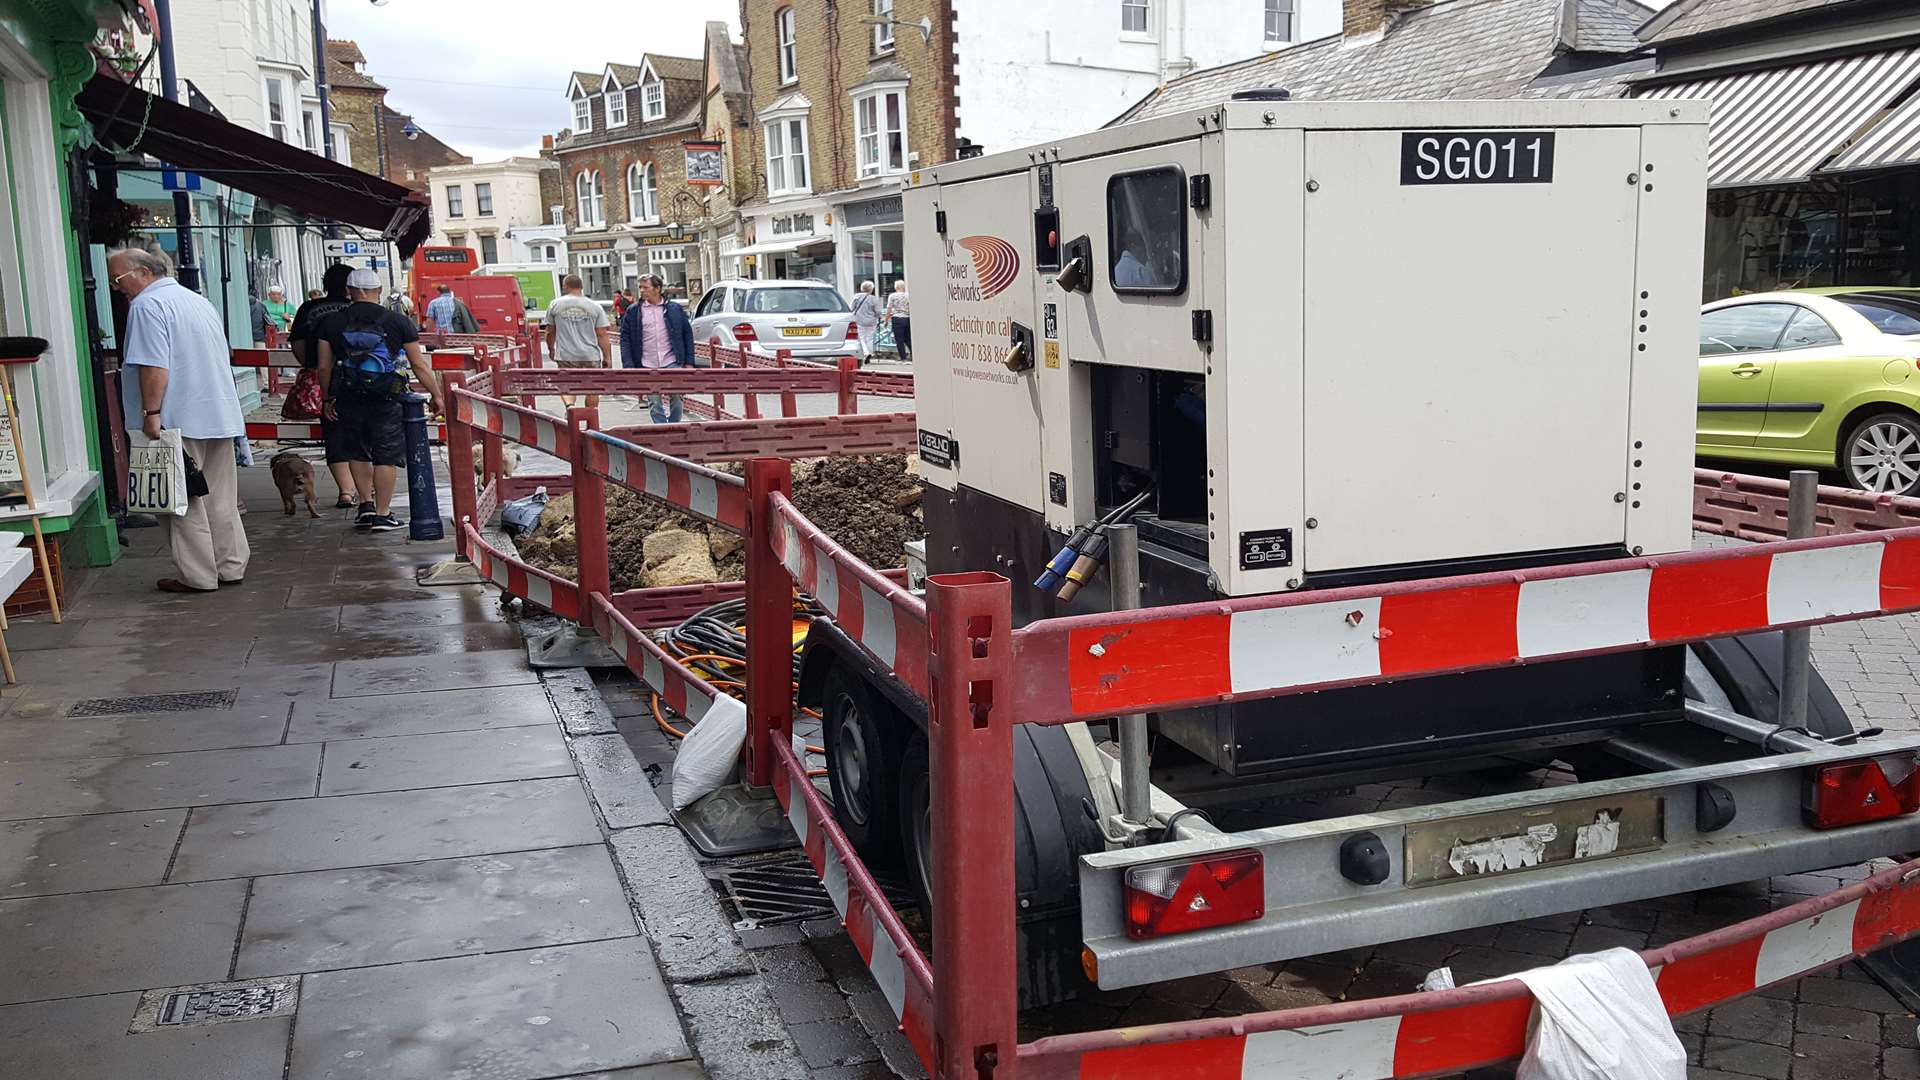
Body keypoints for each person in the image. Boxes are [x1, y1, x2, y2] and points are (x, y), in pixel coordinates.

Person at [109, 247, 250, 593]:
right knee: (220, 496)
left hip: (176, 415)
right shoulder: (197, 300)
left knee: (179, 499)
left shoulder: (146, 306)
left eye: (117, 280)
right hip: (218, 411)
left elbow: (153, 365)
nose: (117, 288)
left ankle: (198, 576)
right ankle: (230, 565)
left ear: (142, 272)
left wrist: (151, 413)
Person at [316, 269, 446, 532]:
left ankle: (365, 506)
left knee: (356, 450)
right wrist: (436, 394)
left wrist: (327, 397)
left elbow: (323, 367)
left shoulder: (330, 323)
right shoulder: (398, 321)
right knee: (385, 455)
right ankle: (383, 513)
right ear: (378, 291)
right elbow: (418, 364)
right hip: (388, 395)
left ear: (350, 292)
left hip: (347, 396)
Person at [289, 262, 359, 508]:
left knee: (334, 431)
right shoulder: (357, 309)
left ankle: (346, 491)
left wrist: (310, 366)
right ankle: (366, 490)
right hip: (359, 378)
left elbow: (297, 343)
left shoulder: (309, 308)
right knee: (362, 431)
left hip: (322, 379)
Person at [619, 273, 694, 424]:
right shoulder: (634, 311)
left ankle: (674, 426)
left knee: (677, 395)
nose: (642, 290)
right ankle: (661, 429)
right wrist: (628, 365)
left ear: (657, 288)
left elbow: (687, 334)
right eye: (640, 287)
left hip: (672, 360)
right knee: (654, 400)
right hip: (647, 362)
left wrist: (689, 362)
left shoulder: (674, 309)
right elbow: (625, 339)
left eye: (645, 287)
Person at [545, 273, 612, 409]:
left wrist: (551, 349)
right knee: (593, 389)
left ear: (565, 286)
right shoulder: (595, 306)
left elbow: (550, 331)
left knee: (567, 384)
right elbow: (601, 334)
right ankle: (591, 416)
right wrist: (607, 357)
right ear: (581, 287)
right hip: (590, 355)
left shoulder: (555, 304)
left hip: (566, 354)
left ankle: (571, 408)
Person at [850, 280, 881, 362]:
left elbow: (851, 308)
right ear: (871, 289)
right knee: (869, 338)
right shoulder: (874, 299)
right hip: (871, 321)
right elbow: (877, 311)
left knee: (862, 338)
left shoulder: (856, 297)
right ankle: (869, 353)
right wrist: (878, 317)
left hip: (859, 320)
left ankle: (866, 353)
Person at [887, 279, 912, 363]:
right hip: (907, 318)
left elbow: (889, 308)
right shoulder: (908, 295)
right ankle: (914, 354)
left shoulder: (892, 296)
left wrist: (886, 319)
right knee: (908, 338)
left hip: (897, 318)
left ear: (896, 287)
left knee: (899, 339)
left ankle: (903, 357)